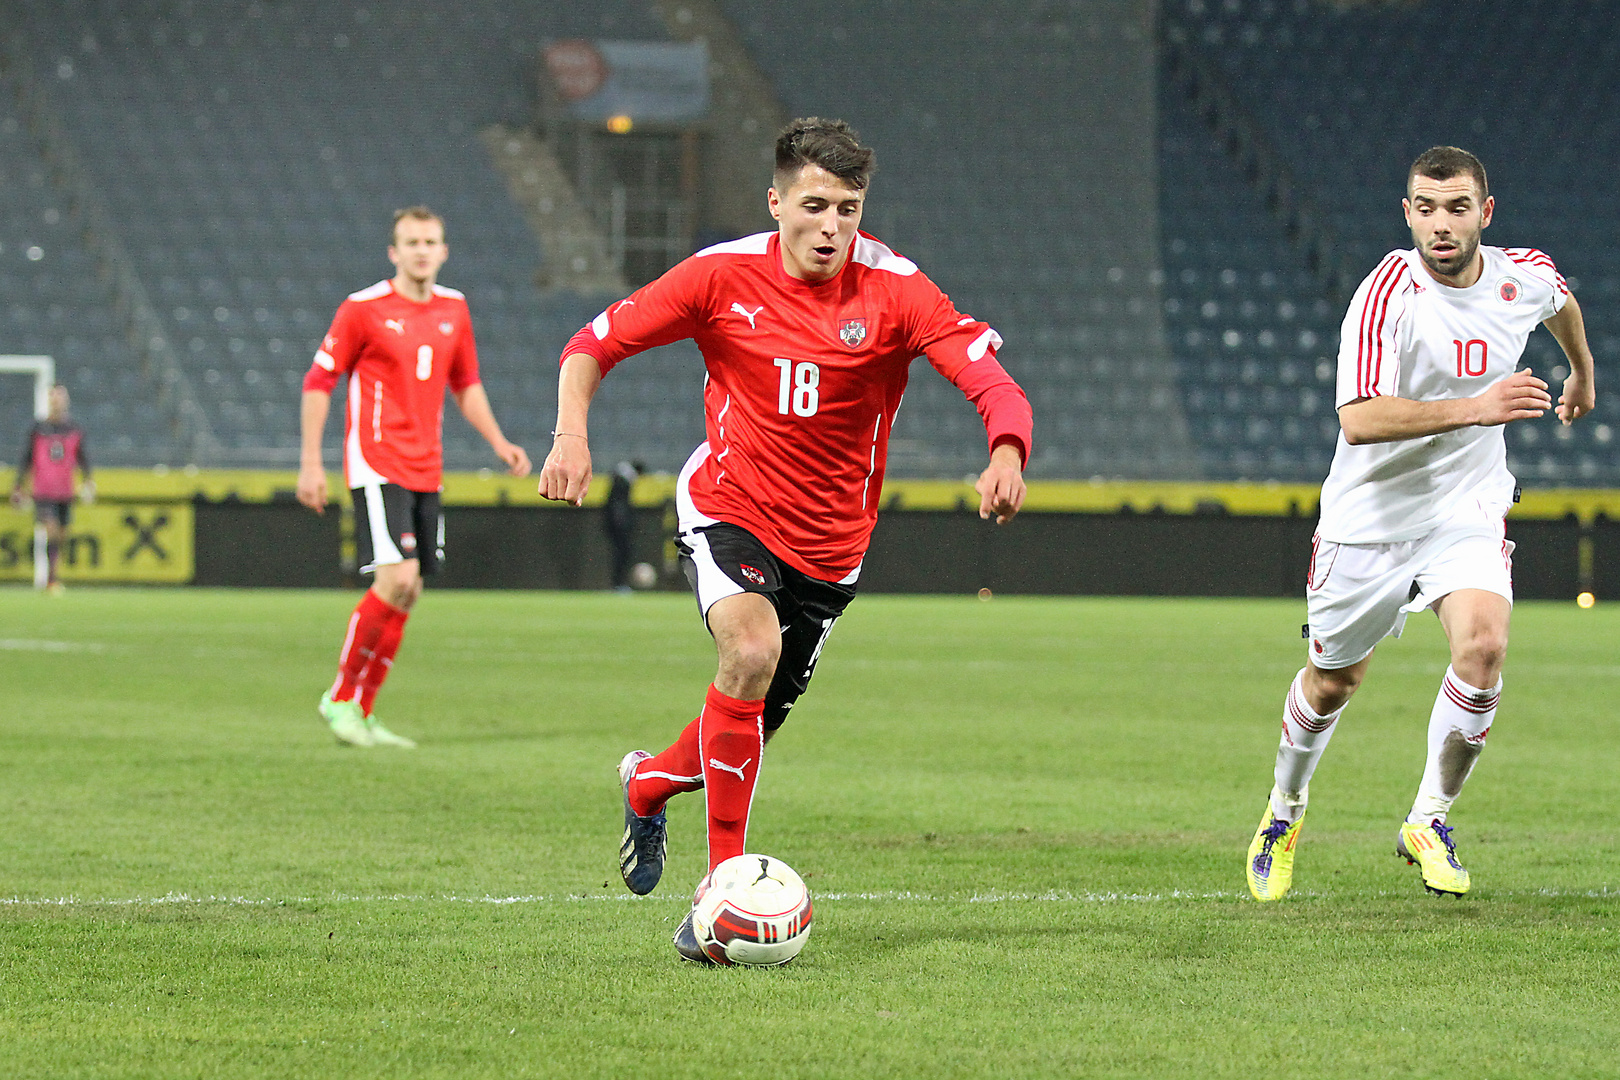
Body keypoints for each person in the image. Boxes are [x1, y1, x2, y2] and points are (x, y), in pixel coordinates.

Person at [539, 117, 1033, 962]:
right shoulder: (719, 275)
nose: (833, 227)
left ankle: (649, 784)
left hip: (833, 549)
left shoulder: (899, 290)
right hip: (727, 503)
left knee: (748, 721)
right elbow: (591, 345)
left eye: (848, 207)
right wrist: (570, 435)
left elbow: (991, 380)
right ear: (776, 203)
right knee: (749, 650)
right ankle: (721, 889)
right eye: (814, 206)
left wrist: (1006, 450)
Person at [1246, 146, 1596, 901]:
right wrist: (1479, 406)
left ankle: (1428, 819)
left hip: (1463, 509)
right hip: (1368, 518)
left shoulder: (1519, 275)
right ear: (1407, 212)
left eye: (1457, 208)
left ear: (1485, 213)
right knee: (1335, 681)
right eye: (1426, 208)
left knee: (1484, 645)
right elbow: (1360, 419)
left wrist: (1582, 374)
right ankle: (1284, 811)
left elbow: (1560, 300)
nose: (1441, 224)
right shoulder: (1385, 295)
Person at [296, 206, 531, 748]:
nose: (421, 250)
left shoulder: (455, 308)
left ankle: (365, 710)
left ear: (444, 251)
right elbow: (318, 381)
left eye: (430, 241)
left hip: (428, 466)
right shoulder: (363, 309)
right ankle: (339, 697)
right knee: (396, 580)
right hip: (378, 461)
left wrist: (498, 442)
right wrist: (311, 462)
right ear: (393, 252)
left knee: (411, 591)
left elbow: (465, 383)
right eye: (411, 241)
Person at [10, 384, 93, 594]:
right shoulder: (38, 429)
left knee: (61, 536)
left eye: (60, 397)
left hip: (65, 491)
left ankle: (52, 577)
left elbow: (83, 458)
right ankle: (52, 580)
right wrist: (19, 485)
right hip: (43, 491)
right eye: (53, 397)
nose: (57, 401)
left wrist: (88, 480)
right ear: (49, 401)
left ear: (66, 401)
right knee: (52, 530)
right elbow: (26, 458)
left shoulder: (74, 429)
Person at [604, 459, 644, 591]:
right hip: (619, 526)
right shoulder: (623, 482)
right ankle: (618, 584)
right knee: (622, 552)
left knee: (621, 553)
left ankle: (618, 584)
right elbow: (618, 507)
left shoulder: (619, 478)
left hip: (614, 524)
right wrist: (623, 524)